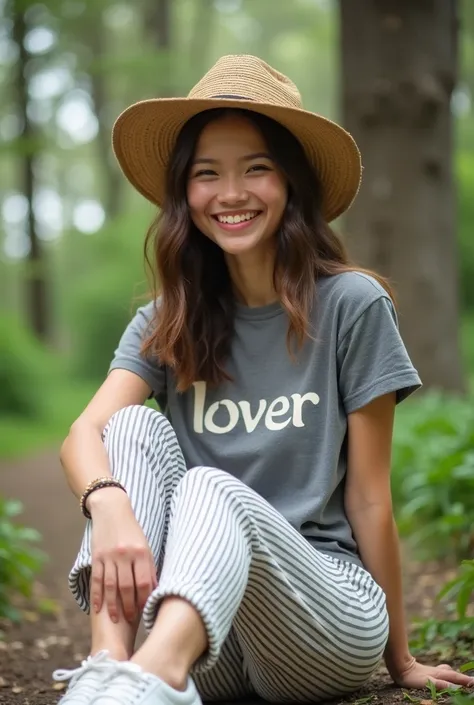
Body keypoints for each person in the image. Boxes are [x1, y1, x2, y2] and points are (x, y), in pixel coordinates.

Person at [54, 55, 474, 705]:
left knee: (208, 486)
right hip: (204, 631)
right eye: (206, 173)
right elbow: (84, 430)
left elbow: (369, 498)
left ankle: (150, 677)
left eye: (256, 167)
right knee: (129, 424)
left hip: (324, 618)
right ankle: (111, 669)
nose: (231, 193)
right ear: (184, 193)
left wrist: (401, 657)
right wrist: (107, 501)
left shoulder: (352, 306)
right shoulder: (167, 319)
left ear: (291, 183)